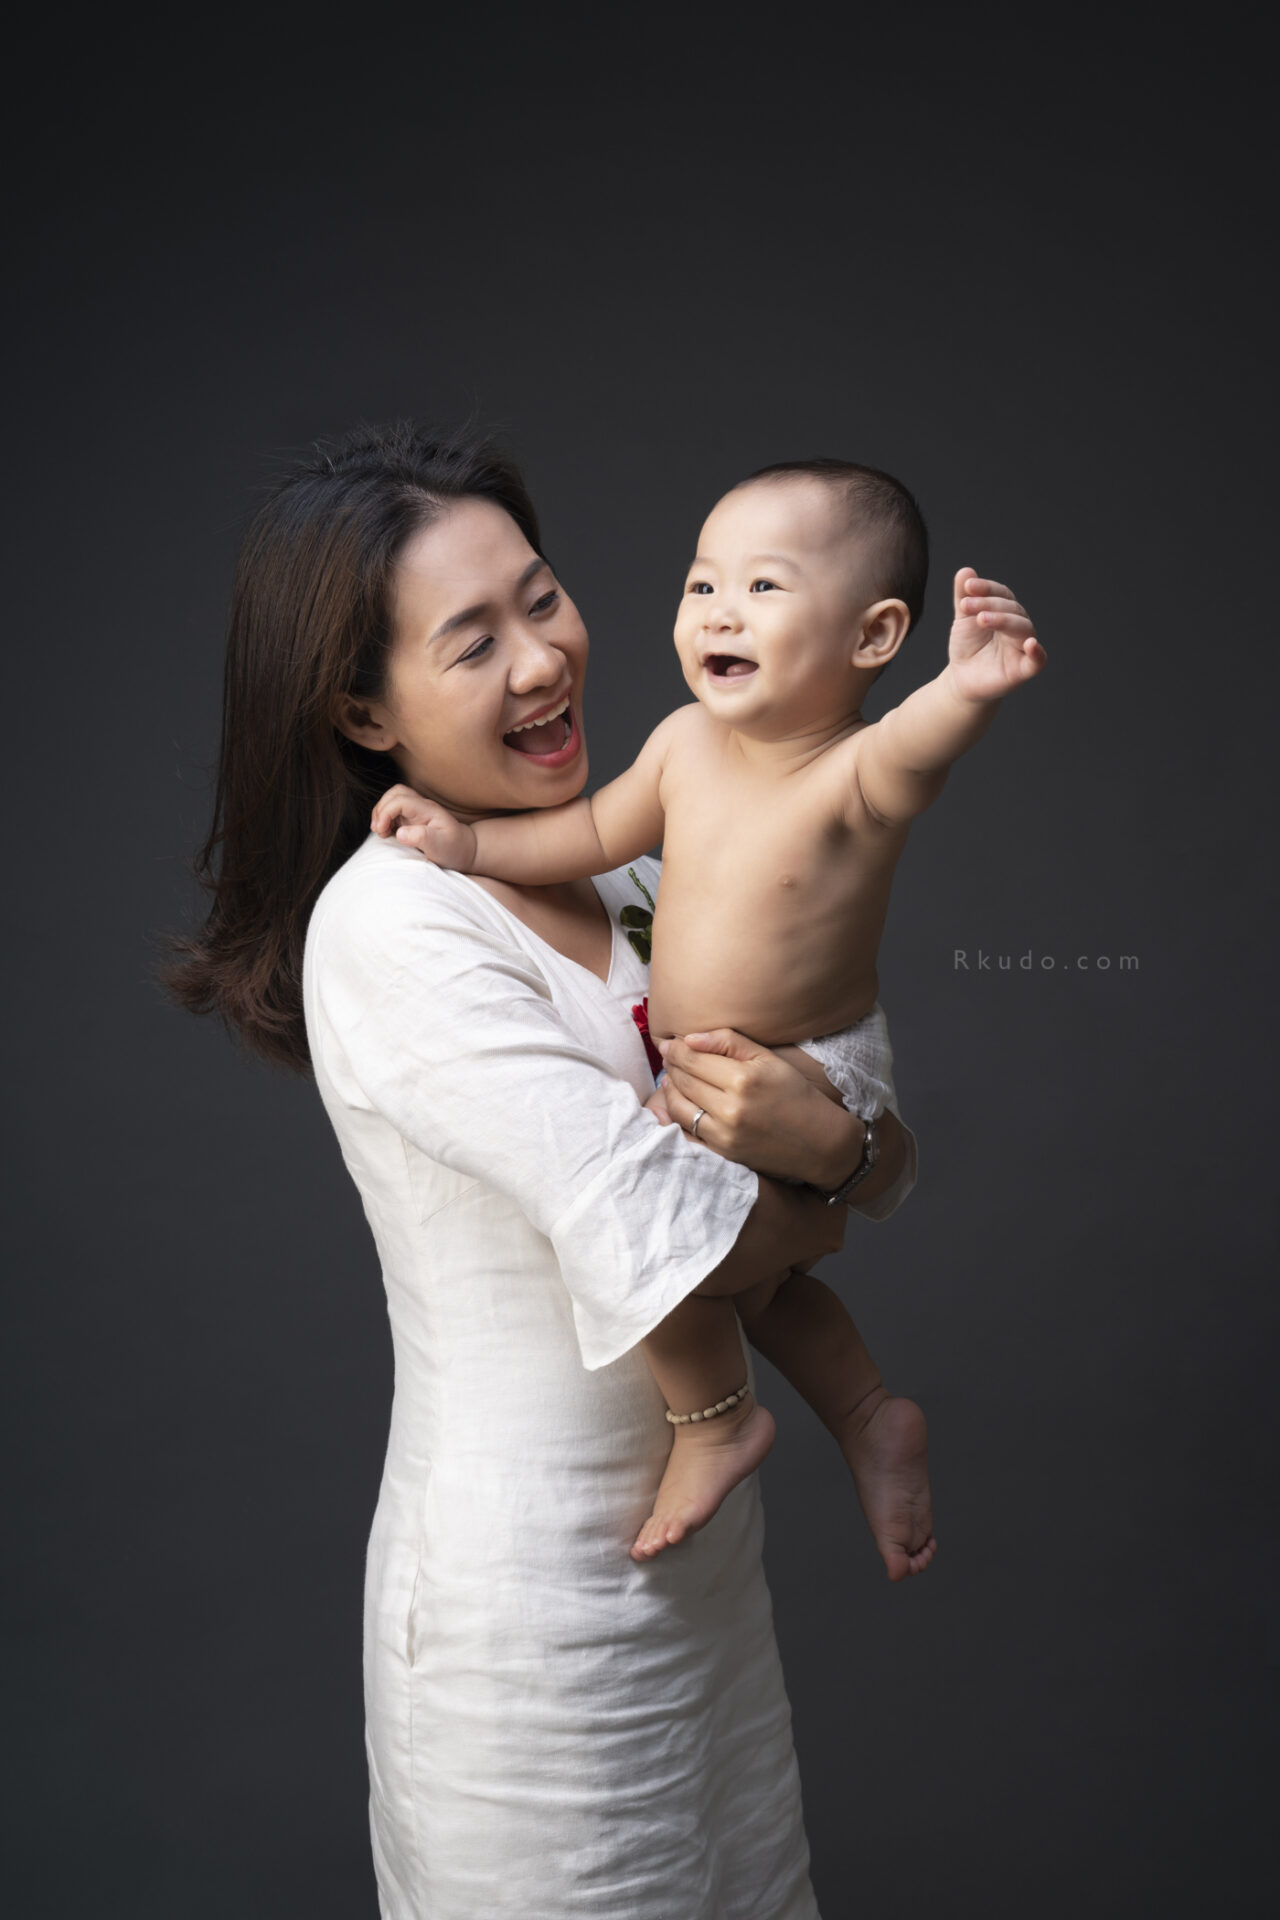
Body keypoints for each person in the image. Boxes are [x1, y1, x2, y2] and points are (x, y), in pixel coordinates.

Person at [164, 419, 920, 1920]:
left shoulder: (634, 867)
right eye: (473, 642)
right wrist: (821, 1180)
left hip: (706, 1580)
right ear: (362, 712)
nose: (542, 659)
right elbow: (673, 1222)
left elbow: (863, 1107)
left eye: (543, 598)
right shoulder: (396, 923)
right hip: (532, 1621)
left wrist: (833, 1142)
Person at [370, 458, 1046, 1570]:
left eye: (764, 587)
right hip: (727, 1072)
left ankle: (717, 1421)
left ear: (873, 637)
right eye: (701, 585)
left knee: (654, 1250)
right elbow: (592, 834)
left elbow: (912, 746)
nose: (719, 612)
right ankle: (867, 1414)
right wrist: (471, 844)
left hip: (815, 1058)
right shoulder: (684, 742)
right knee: (765, 1288)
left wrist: (964, 691)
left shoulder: (853, 774)